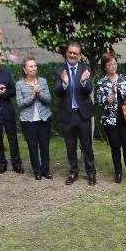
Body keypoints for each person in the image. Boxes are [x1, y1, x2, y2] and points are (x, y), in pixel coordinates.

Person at [54, 42, 97, 185]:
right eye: (70, 52)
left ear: (80, 55)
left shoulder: (86, 69)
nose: (72, 55)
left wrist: (84, 81)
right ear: (67, 52)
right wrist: (64, 83)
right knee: (70, 146)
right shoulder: (60, 70)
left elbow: (89, 89)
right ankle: (73, 172)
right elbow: (57, 92)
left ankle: (91, 173)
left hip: (82, 114)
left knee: (87, 146)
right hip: (68, 114)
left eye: (75, 53)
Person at [95, 52, 126, 184]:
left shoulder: (124, 79)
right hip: (110, 120)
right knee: (115, 147)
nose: (113, 66)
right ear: (105, 67)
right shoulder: (101, 83)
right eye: (110, 64)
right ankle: (118, 172)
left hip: (125, 118)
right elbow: (100, 103)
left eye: (114, 63)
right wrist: (112, 94)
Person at [15, 57, 53, 180]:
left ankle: (45, 170)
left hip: (44, 119)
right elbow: (20, 103)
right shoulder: (19, 84)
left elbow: (48, 100)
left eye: (35, 66)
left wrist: (39, 94)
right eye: (31, 66)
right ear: (25, 70)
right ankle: (37, 171)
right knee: (32, 147)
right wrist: (32, 96)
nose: (34, 68)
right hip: (28, 120)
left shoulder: (42, 81)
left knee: (44, 146)